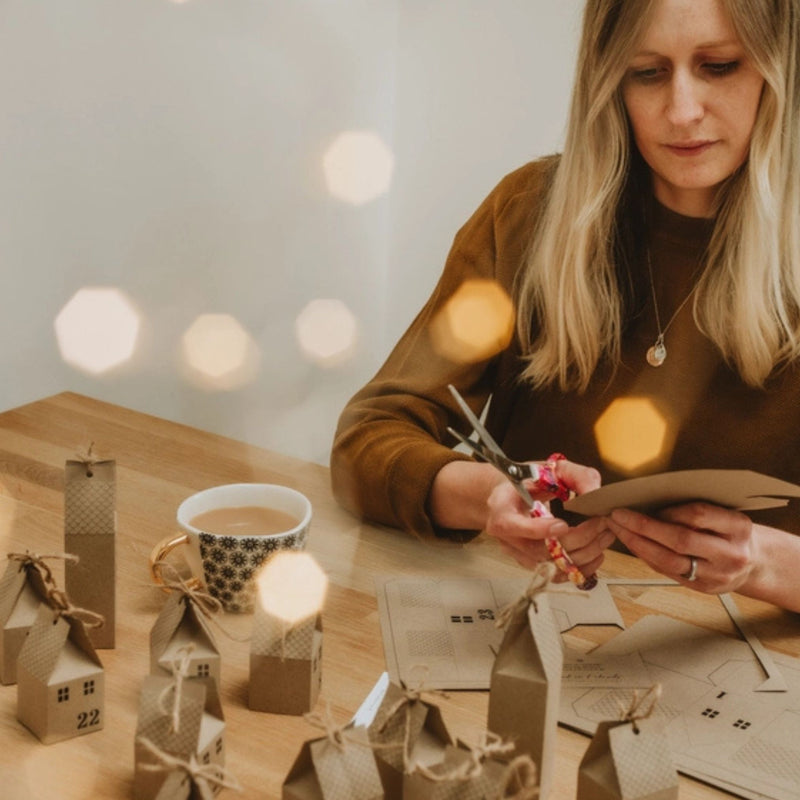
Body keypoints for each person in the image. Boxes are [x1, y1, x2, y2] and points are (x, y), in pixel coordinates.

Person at [331, 0, 800, 612]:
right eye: (647, 72)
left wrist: (763, 562)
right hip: (535, 621)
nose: (682, 111)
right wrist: (489, 497)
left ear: (779, 68)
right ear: (608, 82)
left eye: (718, 66)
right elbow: (367, 441)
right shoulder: (529, 216)